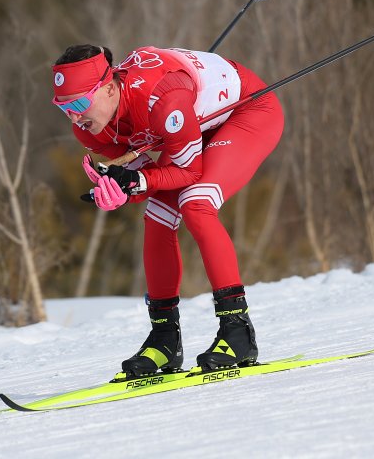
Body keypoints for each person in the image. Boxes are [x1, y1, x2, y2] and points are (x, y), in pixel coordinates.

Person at [52, 44, 284, 378]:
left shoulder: (160, 99)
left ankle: (238, 331)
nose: (73, 117)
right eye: (62, 107)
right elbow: (145, 181)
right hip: (190, 127)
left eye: (77, 104)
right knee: (158, 217)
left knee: (196, 203)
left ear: (107, 87)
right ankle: (165, 340)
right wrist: (120, 191)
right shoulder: (89, 126)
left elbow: (186, 173)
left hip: (245, 112)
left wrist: (136, 182)